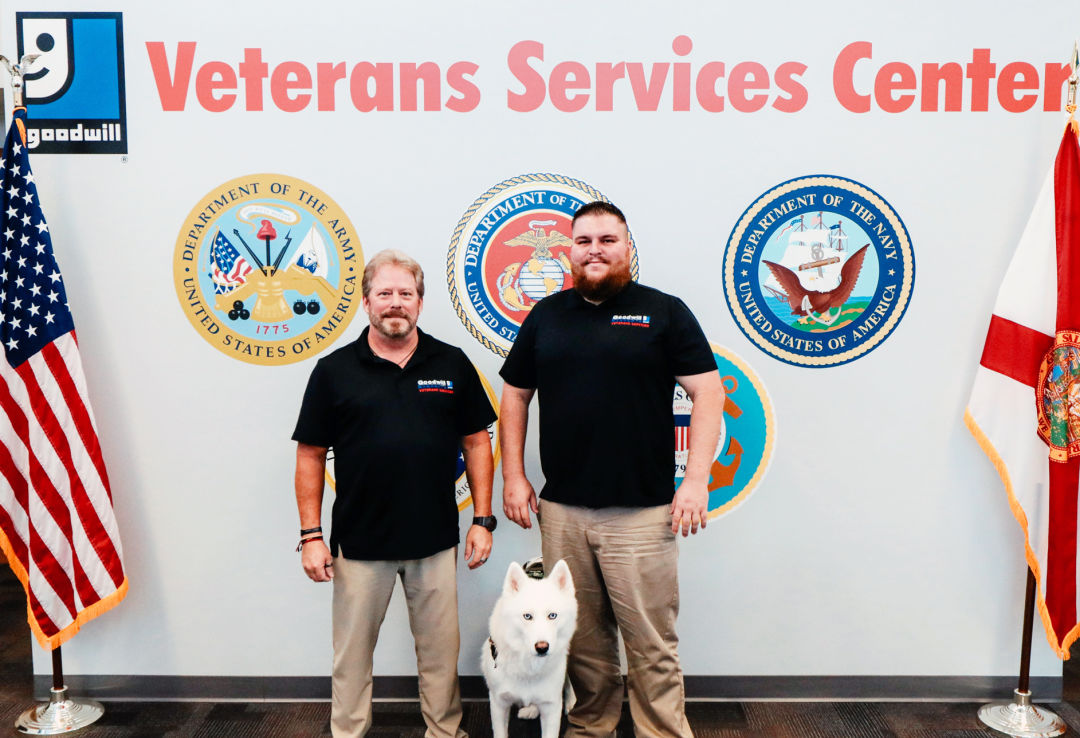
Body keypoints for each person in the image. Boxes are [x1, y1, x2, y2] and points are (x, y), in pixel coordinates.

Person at [499, 202, 724, 738]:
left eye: (607, 239)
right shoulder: (547, 316)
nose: (594, 249)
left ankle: (662, 732)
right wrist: (513, 475)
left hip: (642, 515)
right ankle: (591, 727)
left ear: (627, 247)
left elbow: (708, 392)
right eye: (583, 241)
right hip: (563, 512)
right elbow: (514, 394)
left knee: (650, 643)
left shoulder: (663, 312)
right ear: (569, 250)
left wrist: (695, 480)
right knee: (583, 642)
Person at [292, 249, 498, 738]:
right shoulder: (334, 370)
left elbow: (476, 442)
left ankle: (444, 731)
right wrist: (311, 535)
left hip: (434, 540)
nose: (395, 303)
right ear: (366, 303)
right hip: (360, 543)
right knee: (351, 656)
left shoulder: (451, 363)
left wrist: (483, 520)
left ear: (420, 303)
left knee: (440, 653)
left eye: (406, 293)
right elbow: (310, 454)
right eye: (384, 293)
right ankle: (348, 732)